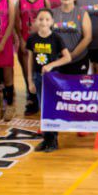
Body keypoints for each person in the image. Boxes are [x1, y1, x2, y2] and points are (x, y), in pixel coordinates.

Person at [25, 8, 72, 152]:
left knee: (51, 108)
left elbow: (67, 57)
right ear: (36, 21)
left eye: (46, 19)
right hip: (38, 78)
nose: (43, 22)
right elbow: (30, 60)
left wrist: (51, 65)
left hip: (53, 79)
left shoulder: (56, 38)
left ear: (52, 22)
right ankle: (46, 139)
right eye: (40, 19)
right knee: (42, 108)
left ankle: (53, 140)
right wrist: (30, 81)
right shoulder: (32, 38)